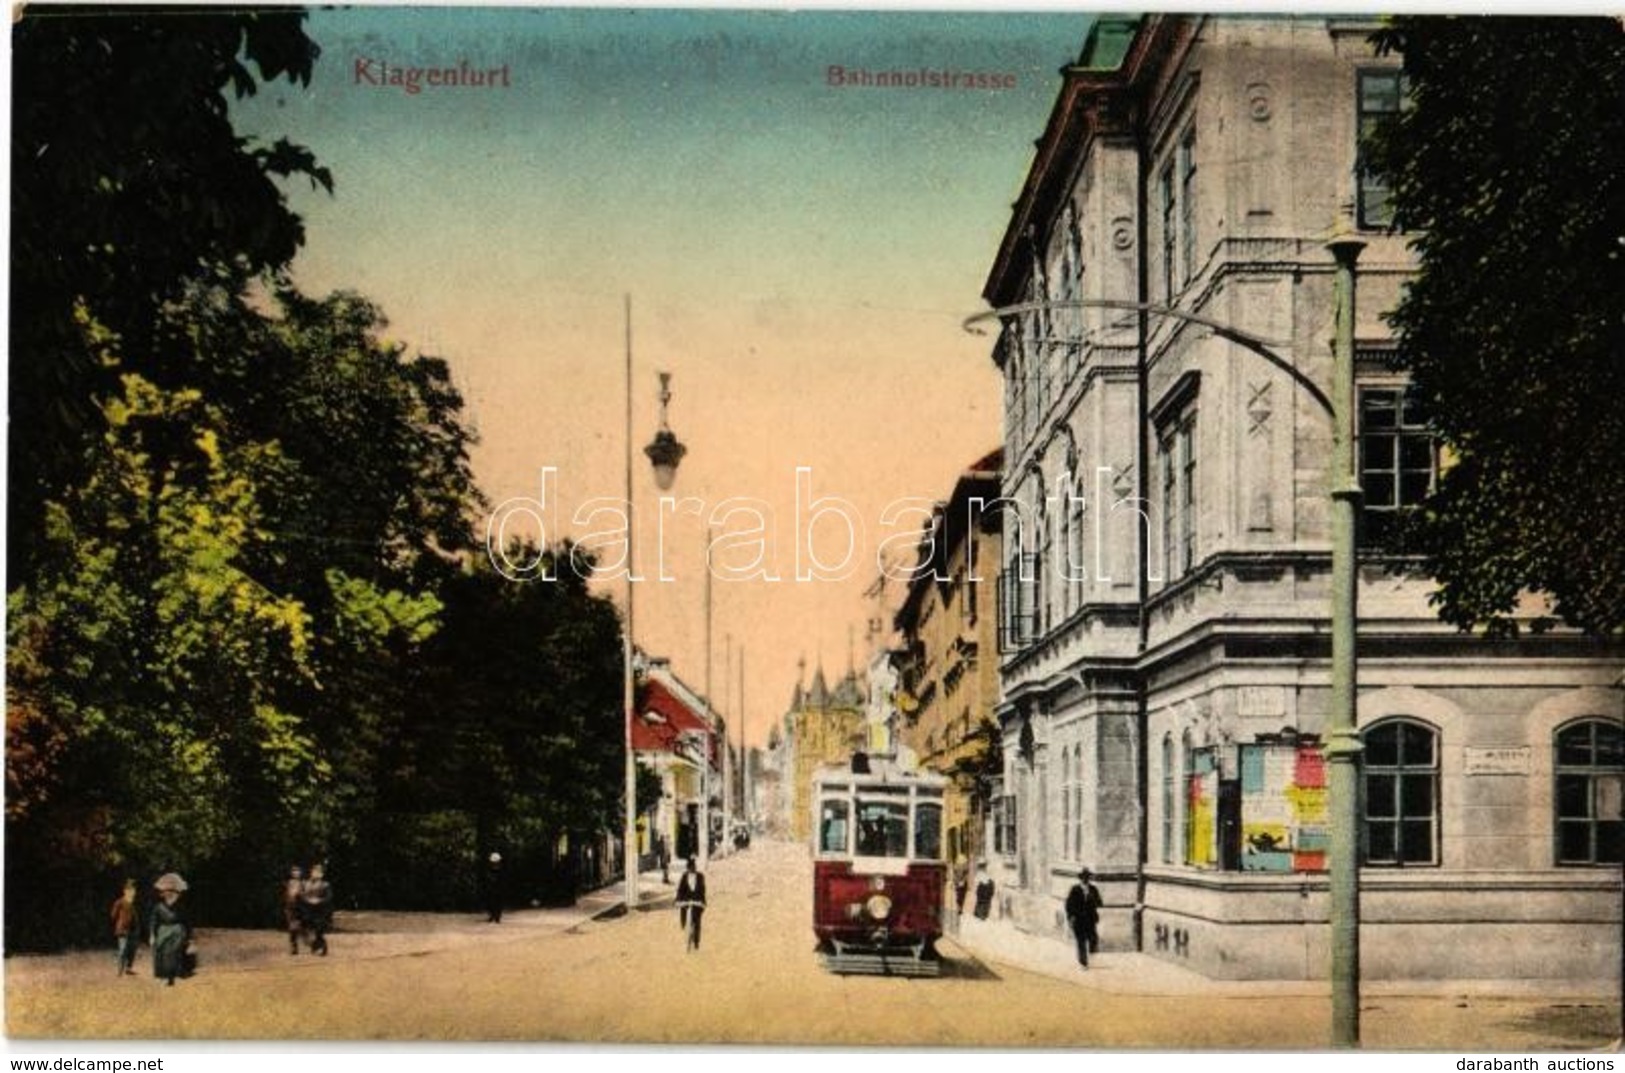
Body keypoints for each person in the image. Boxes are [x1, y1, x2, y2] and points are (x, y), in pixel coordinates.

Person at [149, 877, 190, 986]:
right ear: (163, 893)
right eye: (166, 891)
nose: (169, 893)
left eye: (172, 891)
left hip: (177, 931)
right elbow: (153, 921)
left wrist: (189, 938)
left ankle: (171, 977)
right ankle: (163, 976)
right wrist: (152, 935)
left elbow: (186, 922)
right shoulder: (158, 907)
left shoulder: (180, 906)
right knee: (161, 953)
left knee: (172, 953)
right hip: (163, 931)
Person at [1065, 867, 1103, 970]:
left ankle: (1091, 953)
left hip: (1090, 919)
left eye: (1087, 877)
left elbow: (1100, 902)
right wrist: (1071, 917)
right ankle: (1083, 962)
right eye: (1084, 877)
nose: (1085, 880)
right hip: (1079, 919)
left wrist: (1092, 898)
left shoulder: (1093, 889)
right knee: (1081, 941)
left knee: (1093, 938)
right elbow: (1069, 904)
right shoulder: (1075, 889)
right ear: (1080, 878)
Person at [299, 863, 333, 956]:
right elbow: (302, 895)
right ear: (311, 873)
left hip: (320, 911)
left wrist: (319, 900)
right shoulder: (305, 883)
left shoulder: (325, 885)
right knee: (307, 929)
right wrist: (308, 900)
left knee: (319, 930)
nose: (316, 874)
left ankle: (321, 947)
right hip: (308, 910)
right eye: (314, 872)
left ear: (322, 874)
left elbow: (329, 897)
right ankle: (314, 945)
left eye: (318, 872)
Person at [675, 856, 707, 952]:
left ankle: (696, 942)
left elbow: (702, 890)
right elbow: (680, 890)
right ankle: (686, 932)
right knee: (684, 919)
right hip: (686, 900)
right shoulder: (684, 876)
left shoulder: (700, 876)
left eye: (694, 867)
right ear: (687, 868)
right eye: (691, 868)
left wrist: (702, 901)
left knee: (697, 921)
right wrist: (678, 900)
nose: (693, 869)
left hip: (697, 900)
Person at [110, 879, 140, 976]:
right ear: (125, 891)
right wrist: (120, 923)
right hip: (123, 930)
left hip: (133, 931)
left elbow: (135, 918)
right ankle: (120, 971)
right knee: (123, 950)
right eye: (130, 890)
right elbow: (113, 915)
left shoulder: (133, 903)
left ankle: (128, 969)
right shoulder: (120, 902)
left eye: (133, 891)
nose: (132, 892)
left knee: (132, 950)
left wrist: (136, 928)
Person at [282, 865, 306, 954]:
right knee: (291, 928)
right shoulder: (289, 883)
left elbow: (305, 895)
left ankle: (303, 941)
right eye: (294, 871)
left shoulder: (303, 883)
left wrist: (300, 894)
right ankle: (293, 946)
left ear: (300, 873)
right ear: (291, 873)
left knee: (297, 927)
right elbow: (285, 895)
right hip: (290, 907)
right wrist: (286, 906)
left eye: (298, 871)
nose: (296, 873)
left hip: (299, 908)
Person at [482, 852, 504, 923]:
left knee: (498, 902)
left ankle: (497, 916)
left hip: (498, 888)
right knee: (490, 902)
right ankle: (492, 916)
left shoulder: (501, 869)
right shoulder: (489, 869)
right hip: (491, 888)